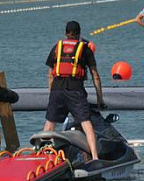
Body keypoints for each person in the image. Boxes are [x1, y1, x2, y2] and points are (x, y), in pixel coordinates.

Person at [44, 21, 105, 161]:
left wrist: (52, 94)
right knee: (86, 123)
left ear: (66, 34)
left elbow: (50, 74)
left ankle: (42, 155)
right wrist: (100, 99)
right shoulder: (85, 49)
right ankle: (95, 157)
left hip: (57, 89)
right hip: (75, 90)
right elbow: (95, 75)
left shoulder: (57, 47)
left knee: (50, 123)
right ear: (79, 34)